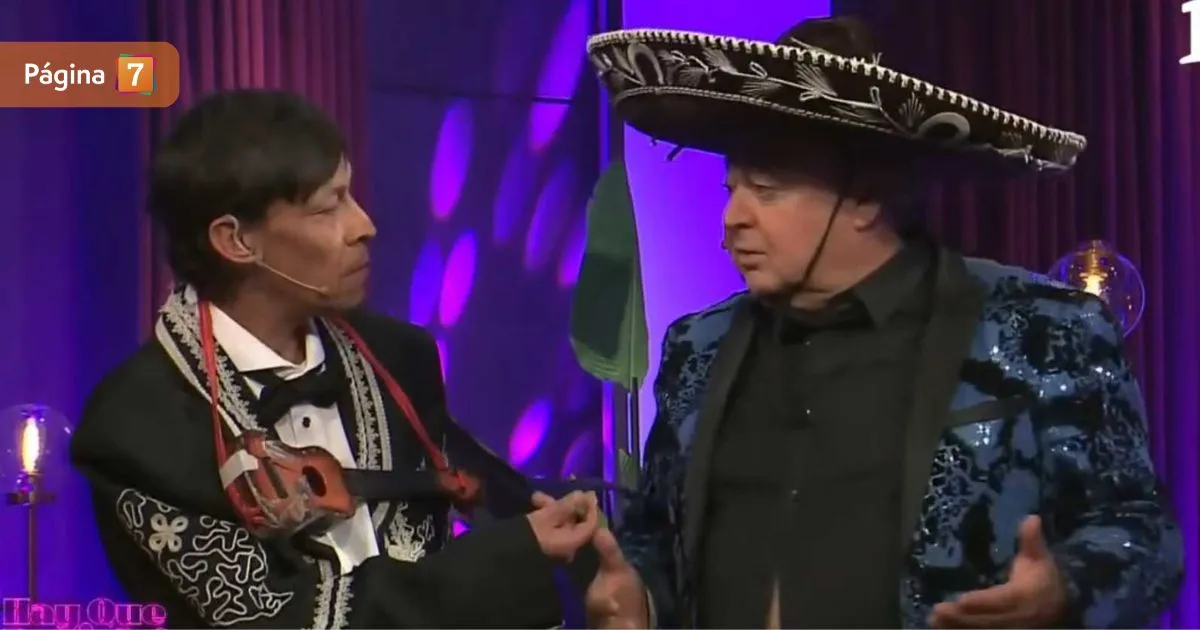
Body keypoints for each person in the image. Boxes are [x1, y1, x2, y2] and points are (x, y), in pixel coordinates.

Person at [581, 16, 1185, 629]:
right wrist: (639, 598)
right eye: (731, 187)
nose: (732, 217)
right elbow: (655, 537)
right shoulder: (697, 348)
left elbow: (1143, 533)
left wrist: (1063, 589)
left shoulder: (1041, 330)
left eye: (765, 189)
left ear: (866, 197)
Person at [69, 89, 600, 629]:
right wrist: (508, 558)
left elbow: (490, 494)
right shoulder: (135, 427)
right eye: (329, 207)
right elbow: (271, 619)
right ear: (236, 241)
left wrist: (593, 561)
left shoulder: (399, 356)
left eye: (351, 196)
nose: (364, 225)